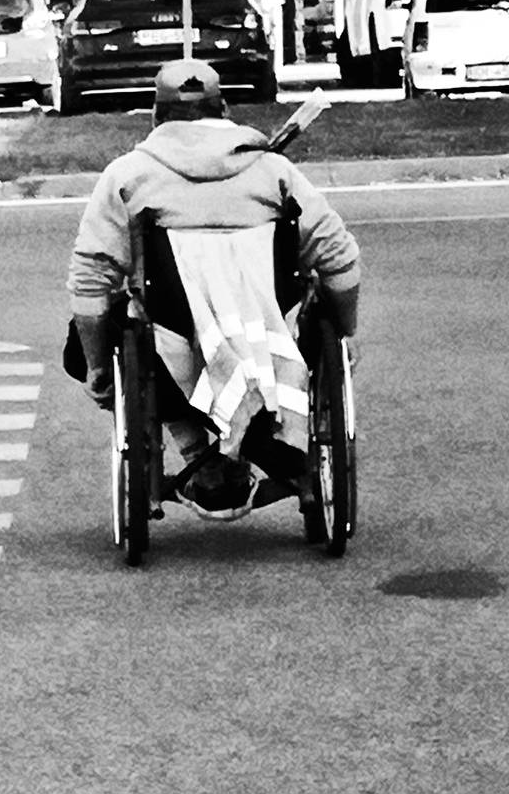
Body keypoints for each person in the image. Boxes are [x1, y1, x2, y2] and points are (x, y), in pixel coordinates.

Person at [67, 59, 363, 518]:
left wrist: (95, 369)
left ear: (156, 116)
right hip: (269, 345)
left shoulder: (127, 176)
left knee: (104, 338)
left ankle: (193, 453)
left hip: (171, 349)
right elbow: (339, 260)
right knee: (307, 315)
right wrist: (344, 332)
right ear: (223, 109)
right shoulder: (274, 172)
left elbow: (91, 280)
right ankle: (275, 458)